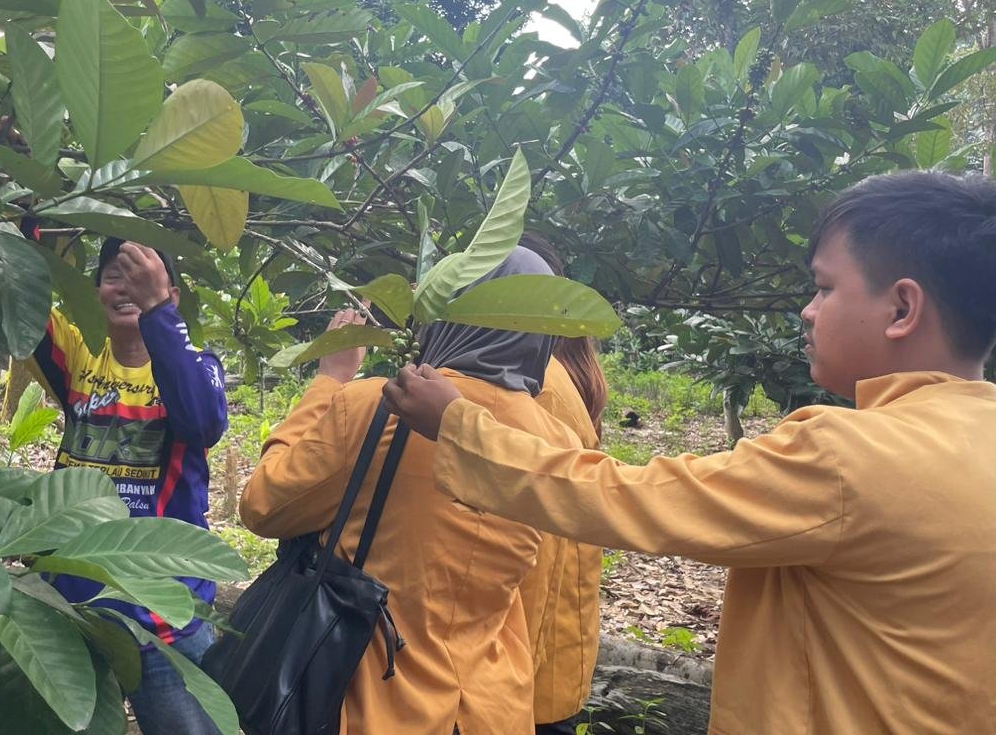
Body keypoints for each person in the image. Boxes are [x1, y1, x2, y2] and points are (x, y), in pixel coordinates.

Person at [383, 170, 996, 735]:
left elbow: (629, 498)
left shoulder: (846, 457)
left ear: (902, 308)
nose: (808, 312)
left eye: (824, 288)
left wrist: (459, 428)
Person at [239, 247, 582, 734]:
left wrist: (329, 381)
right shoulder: (558, 441)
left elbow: (263, 505)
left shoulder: (375, 406)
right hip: (492, 704)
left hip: (371, 697)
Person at [28, 237, 228, 735]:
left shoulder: (199, 369)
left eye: (143, 279)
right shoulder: (79, 359)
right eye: (114, 276)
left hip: (162, 616)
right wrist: (29, 218)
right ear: (95, 291)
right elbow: (22, 289)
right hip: (74, 606)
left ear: (171, 295)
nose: (126, 288)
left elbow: (201, 422)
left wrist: (158, 313)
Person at [516, 235, 608, 733]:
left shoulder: (537, 385)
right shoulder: (549, 369)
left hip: (533, 667)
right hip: (555, 656)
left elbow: (537, 549)